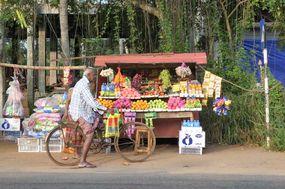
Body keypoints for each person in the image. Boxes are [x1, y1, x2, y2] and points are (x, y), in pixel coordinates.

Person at [69, 67, 107, 168]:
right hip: (79, 113)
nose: (94, 77)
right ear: (89, 75)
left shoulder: (82, 83)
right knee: (90, 134)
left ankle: (80, 154)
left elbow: (89, 100)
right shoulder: (83, 85)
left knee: (85, 132)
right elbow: (91, 101)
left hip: (81, 112)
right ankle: (82, 161)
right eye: (93, 75)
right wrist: (105, 109)